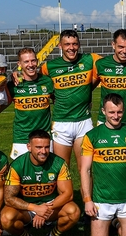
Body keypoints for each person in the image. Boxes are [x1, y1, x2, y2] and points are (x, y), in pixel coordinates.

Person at [80, 94, 126, 236]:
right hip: (101, 200)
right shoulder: (92, 136)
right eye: (111, 112)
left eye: (119, 112)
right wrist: (87, 200)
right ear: (103, 111)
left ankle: (116, 223)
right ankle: (109, 221)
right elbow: (85, 170)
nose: (116, 116)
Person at [0, 129, 80, 236]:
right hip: (26, 209)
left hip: (50, 207)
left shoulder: (59, 163)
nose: (43, 151)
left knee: (73, 212)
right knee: (6, 218)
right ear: (29, 147)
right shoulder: (17, 166)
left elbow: (68, 195)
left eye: (47, 147)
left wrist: (45, 209)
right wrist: (35, 209)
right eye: (38, 147)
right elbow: (9, 198)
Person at [41, 29, 101, 176]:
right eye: (67, 44)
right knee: (62, 169)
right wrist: (17, 74)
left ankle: (87, 199)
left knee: (85, 170)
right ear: (60, 46)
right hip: (61, 123)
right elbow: (36, 81)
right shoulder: (48, 67)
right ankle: (66, 199)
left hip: (84, 122)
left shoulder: (90, 59)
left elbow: (112, 63)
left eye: (74, 44)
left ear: (79, 45)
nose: (71, 47)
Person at [7, 48, 55, 159]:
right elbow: (0, 106)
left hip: (44, 137)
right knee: (20, 173)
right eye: (26, 62)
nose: (31, 64)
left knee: (45, 173)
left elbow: (58, 100)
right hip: (21, 138)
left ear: (37, 61)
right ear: (19, 64)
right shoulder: (13, 85)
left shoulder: (47, 81)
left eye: (33, 61)